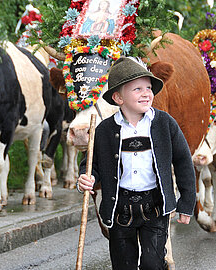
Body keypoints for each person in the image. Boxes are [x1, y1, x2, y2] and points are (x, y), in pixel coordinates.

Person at [77, 56, 196, 270]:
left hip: (155, 207)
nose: (146, 94)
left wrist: (187, 203)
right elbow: (90, 164)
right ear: (118, 97)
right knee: (123, 266)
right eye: (137, 89)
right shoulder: (104, 131)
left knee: (153, 264)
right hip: (120, 209)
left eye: (148, 88)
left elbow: (183, 162)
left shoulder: (164, 124)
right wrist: (86, 179)